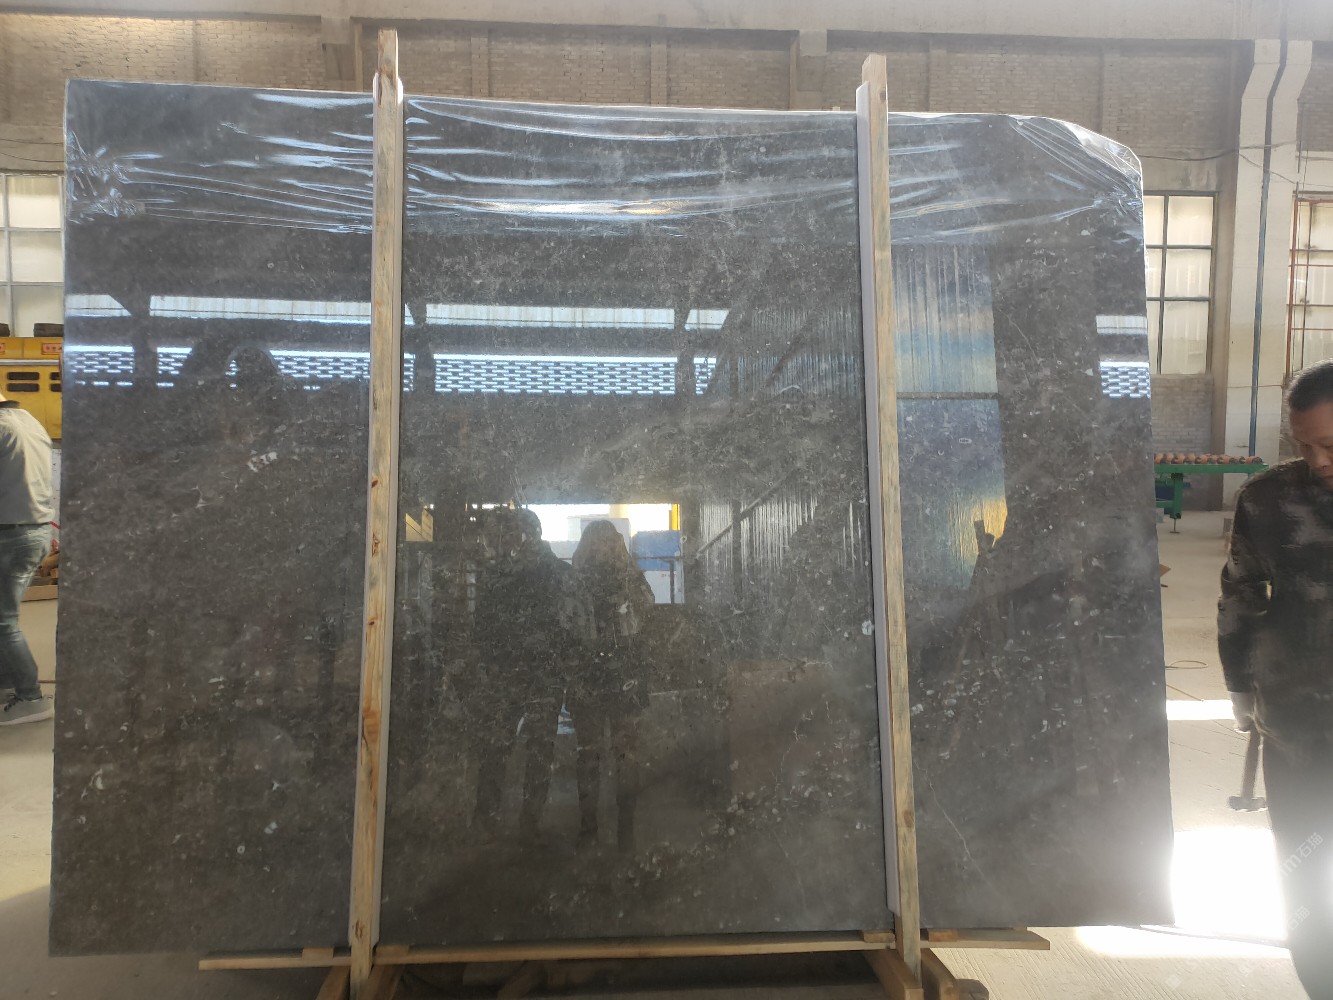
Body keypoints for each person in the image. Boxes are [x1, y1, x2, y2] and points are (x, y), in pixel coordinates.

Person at [1220, 359, 1333, 998]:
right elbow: (1241, 593)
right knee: (1306, 879)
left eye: (1331, 445)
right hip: (1298, 727)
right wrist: (1241, 686)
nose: (1319, 461)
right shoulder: (1268, 500)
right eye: (1305, 446)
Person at [464, 506, 576, 841]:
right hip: (518, 671)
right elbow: (483, 626)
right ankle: (499, 819)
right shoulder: (518, 573)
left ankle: (518, 820)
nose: (509, 539)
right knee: (505, 746)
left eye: (515, 532)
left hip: (533, 671)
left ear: (533, 534)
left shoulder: (544, 574)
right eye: (507, 533)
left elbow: (569, 624)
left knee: (528, 747)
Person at [567, 520, 654, 851]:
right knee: (589, 754)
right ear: (587, 544)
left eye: (607, 541)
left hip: (624, 674)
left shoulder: (631, 580)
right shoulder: (575, 582)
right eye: (596, 541)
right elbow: (565, 625)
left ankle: (625, 830)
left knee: (625, 755)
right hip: (588, 674)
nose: (601, 547)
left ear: (616, 545)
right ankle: (588, 827)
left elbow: (646, 610)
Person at [0, 394, 55, 726]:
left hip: (10, 534)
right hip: (33, 532)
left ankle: (31, 698)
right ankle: (8, 684)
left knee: (3, 622)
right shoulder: (30, 422)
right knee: (5, 618)